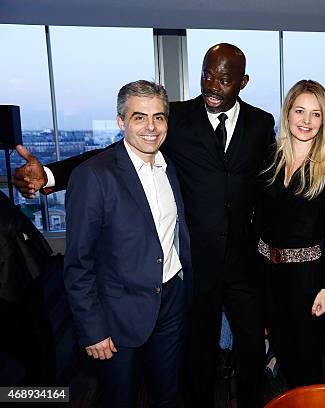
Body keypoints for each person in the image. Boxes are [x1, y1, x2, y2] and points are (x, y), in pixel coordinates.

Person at [13, 43, 275, 407]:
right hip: (195, 262)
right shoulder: (176, 118)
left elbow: (271, 177)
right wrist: (50, 175)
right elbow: (110, 156)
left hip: (242, 262)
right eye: (206, 75)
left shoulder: (262, 123)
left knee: (248, 347)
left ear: (243, 82)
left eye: (225, 78)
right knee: (196, 352)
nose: (213, 85)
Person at [63, 80, 192, 407]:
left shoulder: (168, 166)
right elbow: (79, 262)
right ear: (121, 121)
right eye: (139, 117)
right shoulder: (94, 175)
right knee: (119, 399)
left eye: (159, 117)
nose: (151, 127)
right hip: (119, 315)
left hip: (171, 303)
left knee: (169, 395)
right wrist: (93, 329)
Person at [254, 80, 325, 387]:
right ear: (287, 113)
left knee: (307, 362)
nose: (306, 121)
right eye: (300, 111)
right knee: (282, 355)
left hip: (308, 279)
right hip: (268, 274)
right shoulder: (269, 158)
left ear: (324, 120)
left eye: (316, 114)